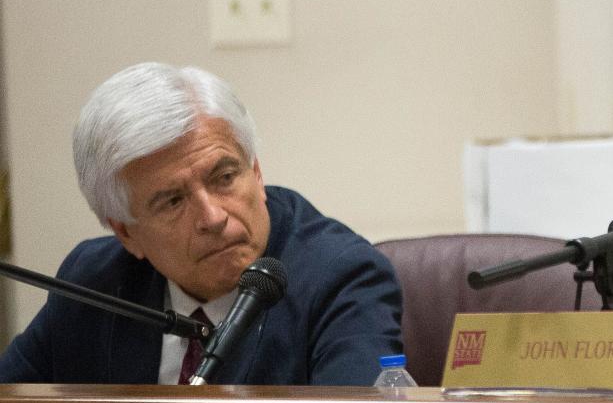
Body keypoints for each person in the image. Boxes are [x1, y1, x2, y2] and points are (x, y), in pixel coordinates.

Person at [0, 62, 403, 385]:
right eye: (173, 201)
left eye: (224, 177)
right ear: (125, 231)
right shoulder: (93, 282)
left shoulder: (341, 276)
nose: (212, 217)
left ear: (256, 172)